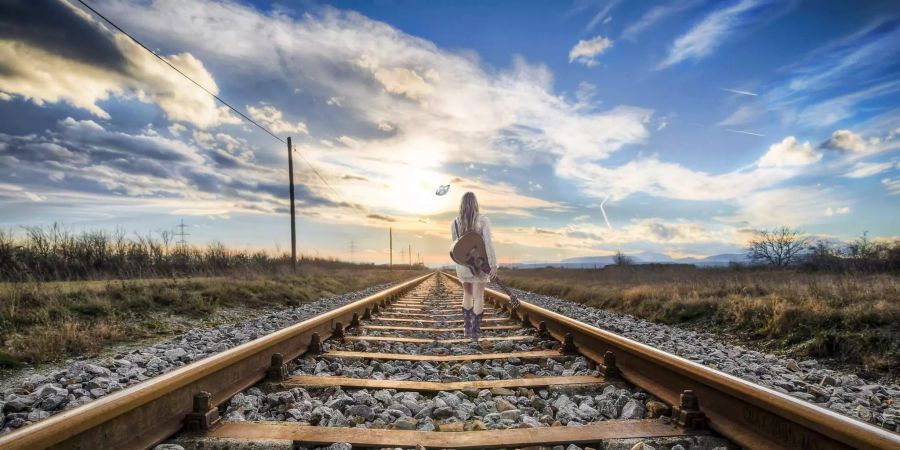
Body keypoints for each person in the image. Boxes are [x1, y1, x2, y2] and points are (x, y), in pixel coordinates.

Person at [450, 191, 497, 341]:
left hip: (463, 264)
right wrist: (493, 264)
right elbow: (488, 244)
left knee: (468, 294)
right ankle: (475, 334)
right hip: (480, 263)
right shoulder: (483, 220)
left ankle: (466, 330)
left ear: (462, 205)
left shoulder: (455, 222)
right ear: (476, 203)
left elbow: (455, 246)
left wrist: (461, 263)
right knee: (479, 295)